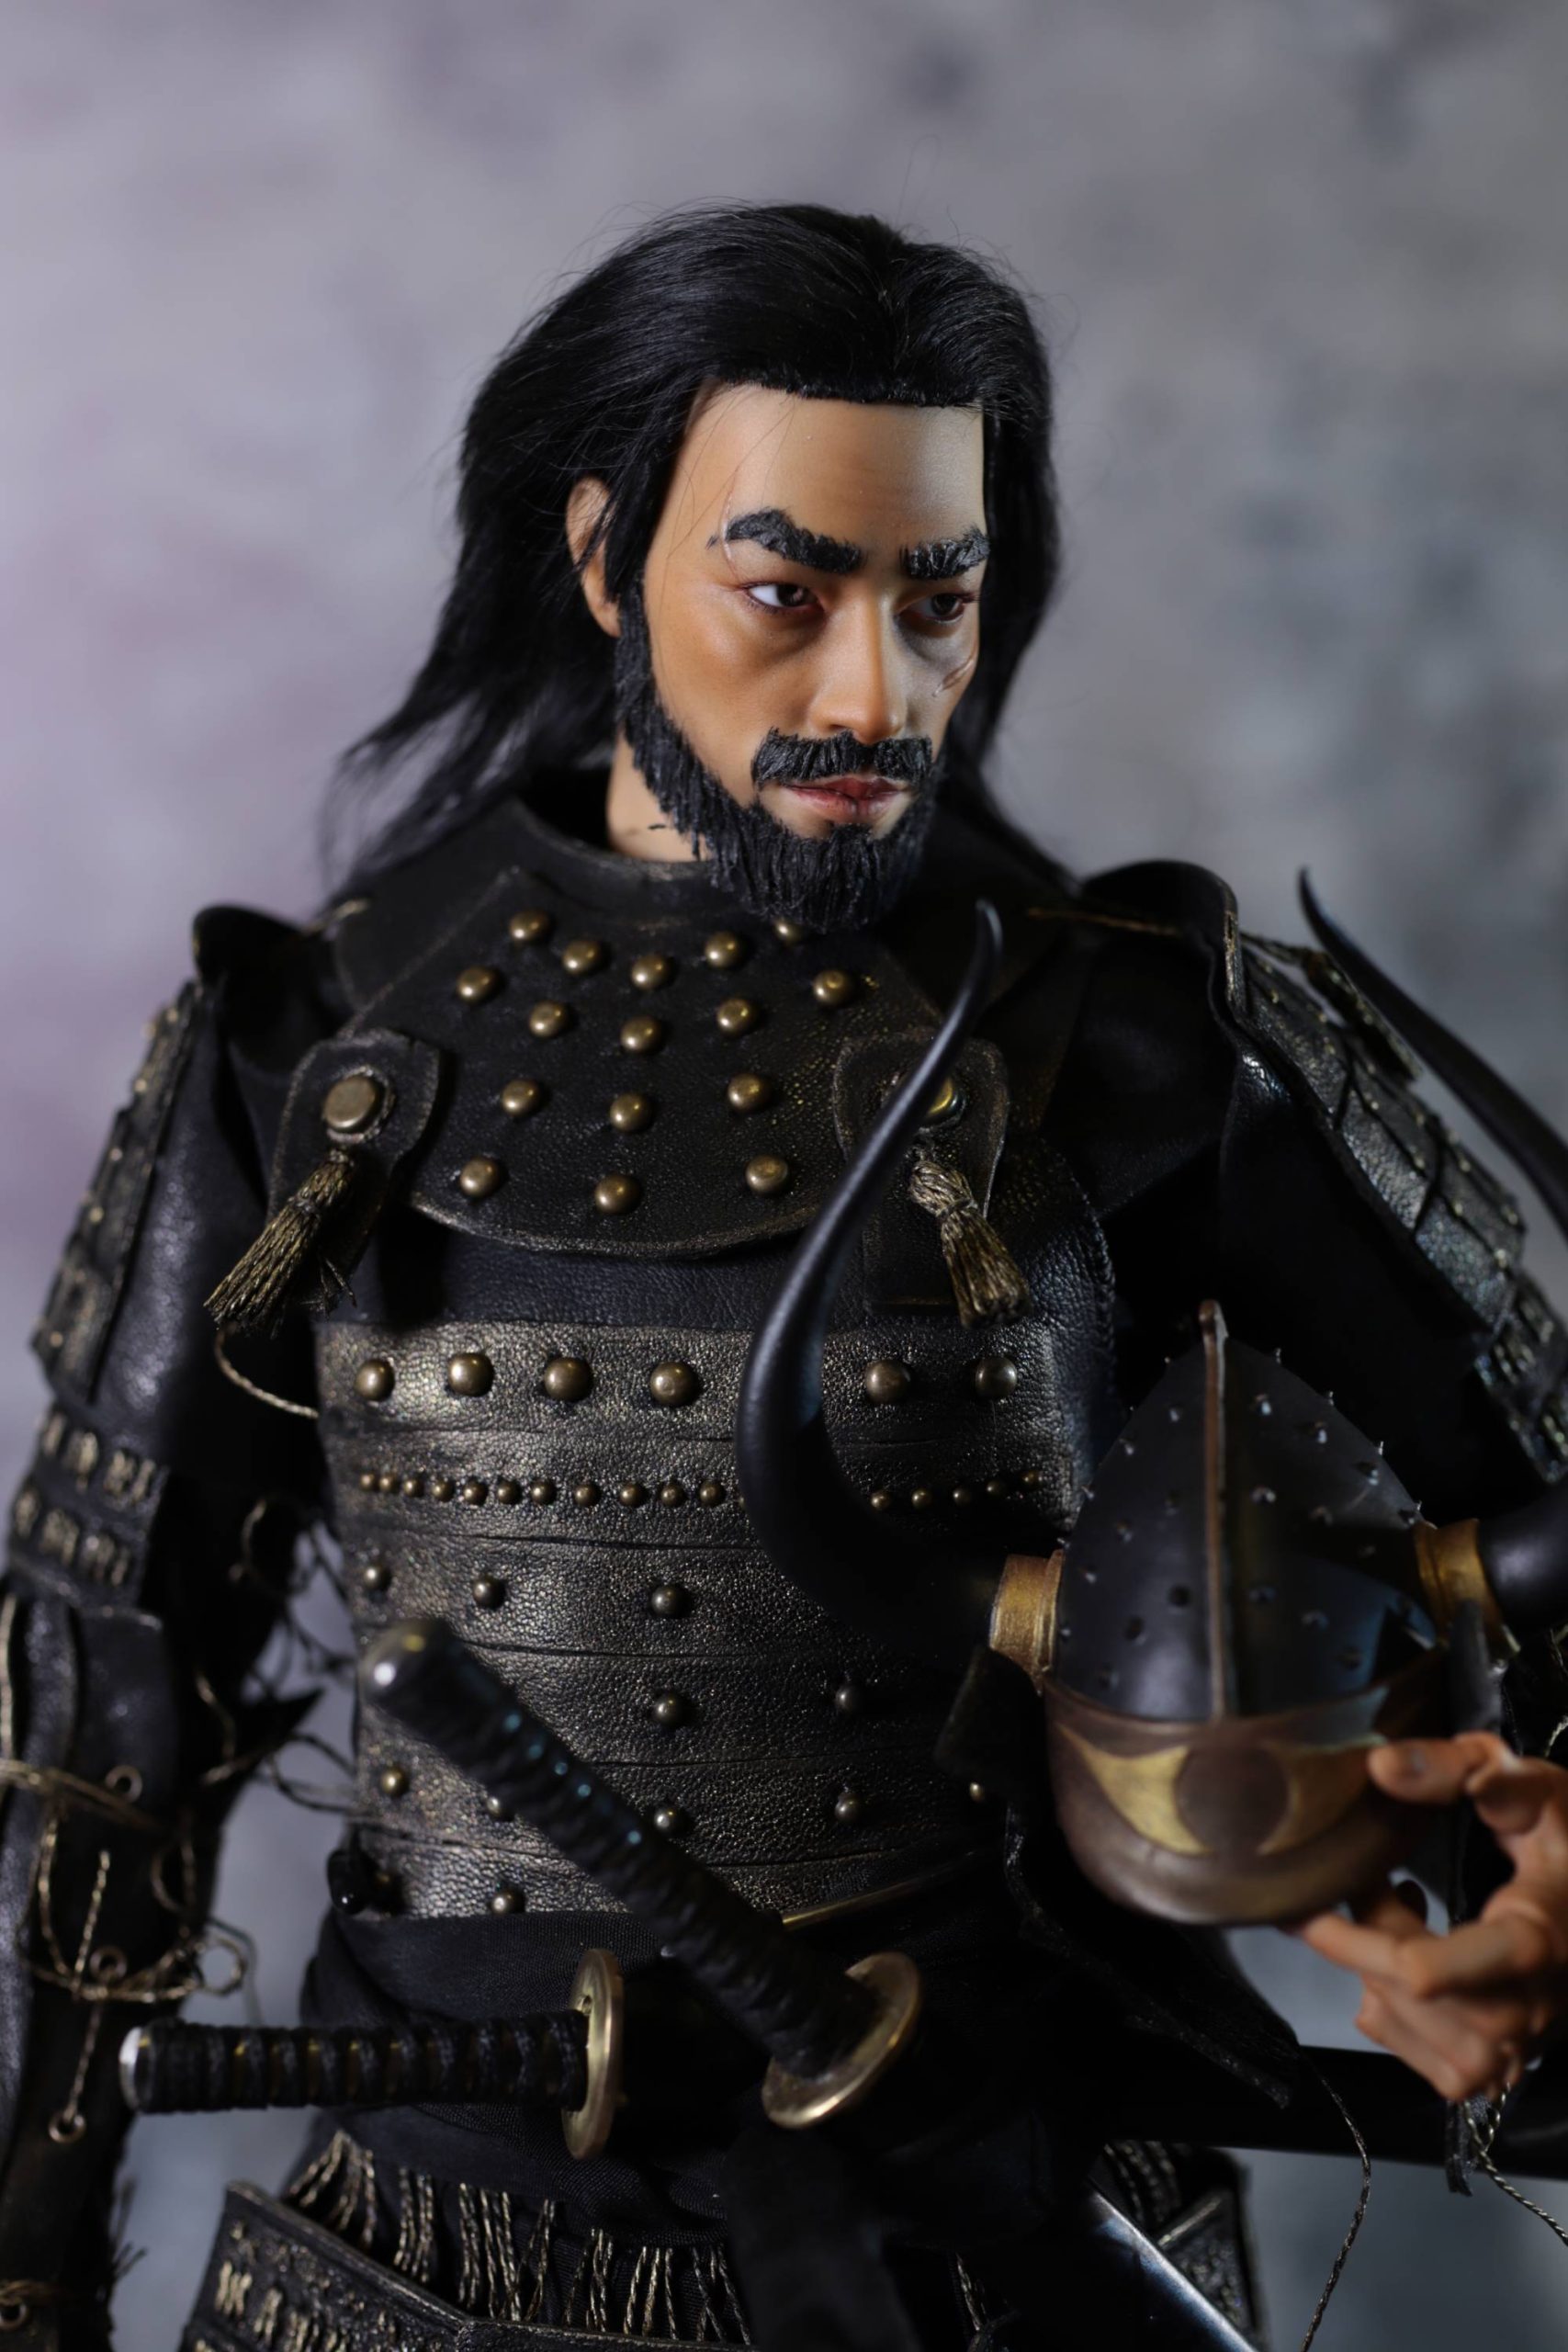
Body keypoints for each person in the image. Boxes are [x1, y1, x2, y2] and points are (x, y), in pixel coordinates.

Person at [5, 201, 1567, 2352]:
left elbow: (1525, 1561)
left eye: (936, 600)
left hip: (1001, 2224)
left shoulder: (1135, 1048)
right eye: (785, 591)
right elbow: (96, 1721)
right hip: (427, 2242)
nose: (872, 693)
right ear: (601, 556)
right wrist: (28, 2262)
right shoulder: (310, 1051)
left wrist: (1522, 1912)